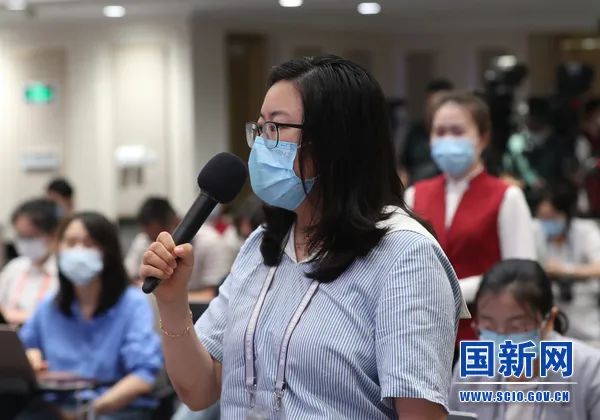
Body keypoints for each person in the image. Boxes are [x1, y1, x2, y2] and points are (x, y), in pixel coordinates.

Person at [141, 56, 469, 419]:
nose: (261, 144)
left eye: (276, 128)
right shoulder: (263, 245)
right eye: (260, 128)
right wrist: (172, 302)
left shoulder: (405, 255)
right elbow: (199, 390)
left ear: (334, 140)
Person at [405, 90, 537, 342]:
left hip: (485, 335)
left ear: (483, 138)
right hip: (424, 335)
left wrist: (450, 291)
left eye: (457, 131)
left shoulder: (506, 196)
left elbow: (522, 274)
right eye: (439, 132)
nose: (447, 139)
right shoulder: (414, 195)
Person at [19, 212, 162, 419]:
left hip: (115, 410)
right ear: (58, 249)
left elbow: (143, 376)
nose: (79, 251)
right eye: (71, 243)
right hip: (55, 408)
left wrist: (88, 412)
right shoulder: (48, 307)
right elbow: (23, 351)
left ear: (108, 252)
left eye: (89, 244)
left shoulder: (133, 304)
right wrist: (30, 357)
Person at [449, 259, 600, 419]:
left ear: (548, 321)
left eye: (516, 327)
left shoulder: (590, 371)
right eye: (489, 326)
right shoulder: (470, 371)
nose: (502, 340)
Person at [534, 183, 600, 340]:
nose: (546, 222)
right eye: (543, 217)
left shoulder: (585, 231)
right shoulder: (534, 230)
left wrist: (565, 270)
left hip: (584, 315)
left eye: (552, 217)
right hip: (549, 314)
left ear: (566, 214)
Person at [125, 197, 230, 293]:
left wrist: (171, 295)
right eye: (152, 239)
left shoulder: (211, 242)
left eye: (160, 235)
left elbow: (212, 294)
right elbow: (128, 276)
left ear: (175, 222)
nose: (158, 243)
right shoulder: (143, 239)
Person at [502, 97, 572, 209]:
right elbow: (507, 173)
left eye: (538, 117)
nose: (534, 121)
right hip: (522, 197)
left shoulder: (557, 144)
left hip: (552, 200)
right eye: (531, 117)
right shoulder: (516, 142)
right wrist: (526, 181)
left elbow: (566, 174)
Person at [0, 199, 59, 324]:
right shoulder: (14, 267)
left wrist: (22, 317)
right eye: (21, 236)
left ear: (53, 235)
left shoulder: (62, 271)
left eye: (32, 237)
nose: (26, 243)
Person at [399, 78, 454, 185]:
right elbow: (404, 167)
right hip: (416, 187)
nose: (434, 109)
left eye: (440, 104)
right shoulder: (415, 131)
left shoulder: (458, 135)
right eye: (430, 103)